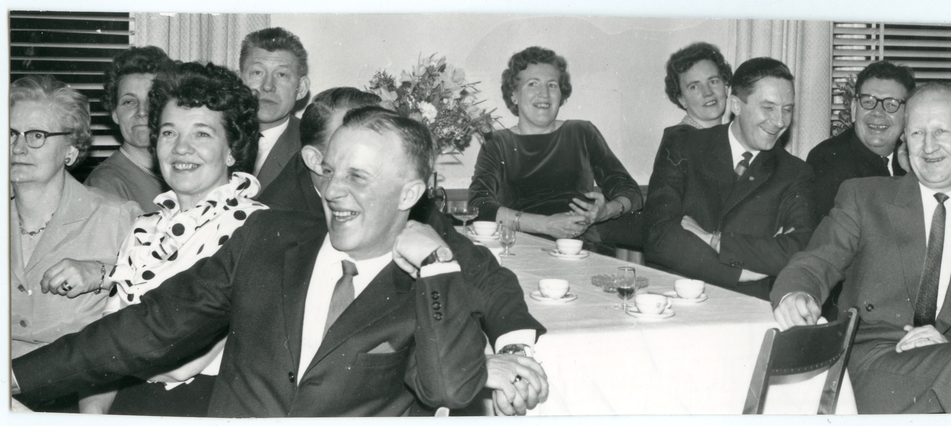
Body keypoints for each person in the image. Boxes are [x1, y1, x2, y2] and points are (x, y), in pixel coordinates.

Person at [12, 108, 491, 417]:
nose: (332, 190)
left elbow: (449, 390)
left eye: (357, 177)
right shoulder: (266, 238)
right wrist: (13, 377)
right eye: (328, 171)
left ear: (409, 193)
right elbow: (150, 326)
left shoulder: (429, 281)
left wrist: (437, 265)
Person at [260, 87, 549, 416]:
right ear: (315, 159)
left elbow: (484, 275)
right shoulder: (274, 221)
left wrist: (514, 351)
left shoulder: (398, 199)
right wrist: (476, 367)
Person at [771, 82, 951, 413]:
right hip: (876, 365)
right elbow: (817, 261)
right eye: (916, 133)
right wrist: (797, 293)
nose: (928, 146)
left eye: (941, 131)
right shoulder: (865, 198)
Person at [84, 62, 266, 416]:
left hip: (206, 406)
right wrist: (92, 414)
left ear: (231, 149)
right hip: (129, 399)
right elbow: (101, 338)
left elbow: (183, 364)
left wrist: (102, 359)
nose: (181, 148)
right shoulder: (144, 228)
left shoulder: (254, 227)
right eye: (169, 133)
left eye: (202, 134)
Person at [9, 74, 143, 412]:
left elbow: (154, 311)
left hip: (79, 399)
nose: (18, 147)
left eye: (36, 135)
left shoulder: (118, 218)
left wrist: (103, 273)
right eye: (10, 133)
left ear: (71, 149)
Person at [643, 57, 816, 301]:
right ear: (735, 104)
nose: (779, 122)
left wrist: (714, 241)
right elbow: (658, 235)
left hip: (747, 305)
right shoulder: (684, 146)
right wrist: (738, 273)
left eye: (787, 109)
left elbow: (799, 248)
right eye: (768, 107)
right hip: (675, 296)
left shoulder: (794, 172)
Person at [469, 46, 642, 244]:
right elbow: (479, 205)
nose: (544, 94)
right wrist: (545, 225)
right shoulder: (497, 142)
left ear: (561, 95)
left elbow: (630, 191)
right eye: (533, 84)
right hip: (519, 247)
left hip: (579, 247)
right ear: (514, 95)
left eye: (552, 85)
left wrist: (607, 211)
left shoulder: (582, 132)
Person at [807, 61, 912, 219]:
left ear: (907, 115)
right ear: (854, 108)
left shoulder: (915, 159)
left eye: (891, 104)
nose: (878, 112)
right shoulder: (828, 160)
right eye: (868, 102)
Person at [84, 46, 173, 212]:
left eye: (153, 100)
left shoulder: (179, 171)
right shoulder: (105, 184)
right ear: (115, 114)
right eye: (129, 102)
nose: (142, 111)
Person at [238, 27, 310, 190]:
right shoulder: (215, 136)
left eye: (282, 74)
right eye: (257, 72)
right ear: (239, 81)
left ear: (301, 88)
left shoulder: (311, 146)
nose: (268, 86)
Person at [661, 42, 733, 132]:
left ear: (726, 87)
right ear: (682, 99)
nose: (708, 92)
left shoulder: (726, 134)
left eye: (713, 81)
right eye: (694, 87)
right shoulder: (680, 137)